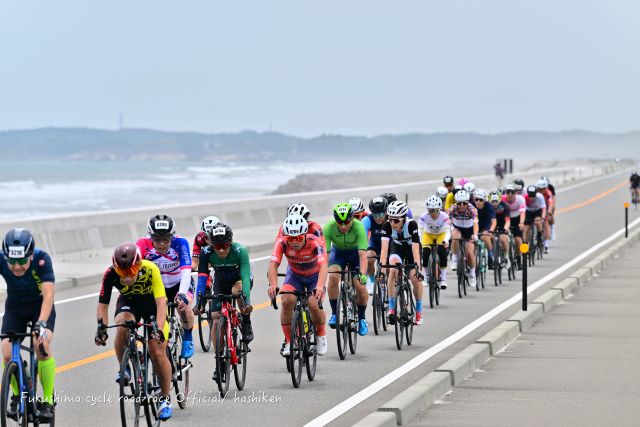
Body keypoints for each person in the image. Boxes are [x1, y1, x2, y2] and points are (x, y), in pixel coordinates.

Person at [95, 243, 172, 420]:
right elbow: (103, 306)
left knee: (157, 351)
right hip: (129, 303)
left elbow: (161, 303)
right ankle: (125, 368)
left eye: (131, 271)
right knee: (122, 324)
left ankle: (165, 399)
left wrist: (159, 329)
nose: (127, 277)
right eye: (122, 273)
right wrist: (101, 329)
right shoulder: (110, 273)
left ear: (138, 265)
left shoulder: (150, 269)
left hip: (153, 306)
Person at [1, 229, 56, 421]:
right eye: (12, 261)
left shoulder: (42, 259)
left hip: (40, 307)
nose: (17, 266)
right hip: (15, 308)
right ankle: (17, 395)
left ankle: (47, 401)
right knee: (6, 352)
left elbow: (48, 295)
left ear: (31, 255)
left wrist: (41, 323)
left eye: (22, 261)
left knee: (41, 345)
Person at [195, 223, 254, 377]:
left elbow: (245, 276)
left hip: (239, 279)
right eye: (217, 246)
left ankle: (246, 321)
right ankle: (220, 360)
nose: (221, 250)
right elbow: (202, 278)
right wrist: (199, 302)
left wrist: (246, 301)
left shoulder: (240, 250)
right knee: (215, 319)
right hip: (221, 282)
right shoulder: (206, 252)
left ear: (231, 242)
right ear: (211, 244)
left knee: (236, 291)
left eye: (225, 245)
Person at [267, 214, 328, 356]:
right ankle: (290, 341)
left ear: (305, 234)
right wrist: (273, 284)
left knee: (313, 304)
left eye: (298, 238)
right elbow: (273, 265)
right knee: (287, 300)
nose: (294, 242)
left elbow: (324, 266)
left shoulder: (315, 242)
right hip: (295, 276)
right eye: (291, 238)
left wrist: (319, 286)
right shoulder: (281, 243)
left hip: (314, 277)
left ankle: (321, 335)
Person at [137, 214, 195, 359]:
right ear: (150, 236)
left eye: (166, 240)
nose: (162, 244)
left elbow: (186, 271)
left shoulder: (180, 243)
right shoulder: (142, 244)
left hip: (179, 283)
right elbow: (136, 271)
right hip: (158, 287)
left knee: (183, 307)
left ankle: (188, 338)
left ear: (172, 236)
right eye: (157, 240)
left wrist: (182, 293)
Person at [324, 203, 370, 336]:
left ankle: (362, 318)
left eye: (347, 222)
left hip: (355, 254)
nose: (343, 226)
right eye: (340, 222)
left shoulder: (359, 227)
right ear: (335, 220)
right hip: (338, 253)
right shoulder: (328, 228)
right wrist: (322, 274)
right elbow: (326, 256)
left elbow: (363, 255)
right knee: (333, 277)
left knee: (360, 285)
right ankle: (334, 313)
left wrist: (363, 275)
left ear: (352, 219)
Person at [379, 201, 425, 325]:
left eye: (396, 220)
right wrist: (381, 270)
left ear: (403, 219)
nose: (392, 223)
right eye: (390, 219)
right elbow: (384, 250)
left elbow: (415, 249)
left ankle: (419, 310)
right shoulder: (386, 225)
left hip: (411, 250)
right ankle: (391, 308)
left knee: (415, 279)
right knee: (392, 269)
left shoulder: (412, 225)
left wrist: (418, 269)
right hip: (397, 248)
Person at [448, 190, 479, 288]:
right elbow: (448, 221)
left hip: (469, 231)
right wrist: (450, 229)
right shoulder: (452, 209)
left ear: (467, 203)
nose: (462, 206)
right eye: (459, 203)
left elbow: (475, 224)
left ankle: (472, 274)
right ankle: (454, 258)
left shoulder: (472, 209)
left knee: (469, 252)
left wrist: (475, 234)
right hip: (457, 228)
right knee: (455, 237)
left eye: (464, 203)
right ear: (456, 203)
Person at [418, 196, 450, 289]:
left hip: (441, 235)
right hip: (428, 235)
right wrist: (419, 240)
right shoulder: (423, 216)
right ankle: (426, 276)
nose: (433, 213)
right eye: (430, 211)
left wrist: (446, 241)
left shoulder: (445, 216)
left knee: (442, 253)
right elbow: (420, 229)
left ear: (439, 209)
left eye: (435, 210)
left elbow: (448, 231)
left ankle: (443, 279)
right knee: (425, 253)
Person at [360, 196, 388, 295]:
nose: (379, 218)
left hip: (389, 245)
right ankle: (371, 281)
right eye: (375, 215)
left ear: (386, 212)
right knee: (369, 258)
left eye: (381, 214)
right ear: (371, 213)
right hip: (375, 244)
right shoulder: (367, 220)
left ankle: (389, 284)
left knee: (390, 267)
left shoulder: (390, 219)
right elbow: (362, 238)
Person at [502, 184, 526, 268]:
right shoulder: (502, 199)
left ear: (516, 193)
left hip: (517, 218)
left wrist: (521, 223)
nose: (510, 194)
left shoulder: (520, 199)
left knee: (518, 240)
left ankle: (519, 258)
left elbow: (522, 212)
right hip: (506, 218)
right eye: (508, 192)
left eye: (512, 192)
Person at [472, 189, 497, 269]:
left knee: (485, 237)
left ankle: (490, 255)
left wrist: (491, 231)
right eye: (476, 200)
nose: (478, 202)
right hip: (474, 225)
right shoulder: (471, 206)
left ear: (484, 200)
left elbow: (494, 221)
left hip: (486, 225)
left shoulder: (489, 206)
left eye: (480, 200)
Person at [489, 191, 511, 270]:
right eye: (492, 202)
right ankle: (490, 257)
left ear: (500, 200)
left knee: (503, 239)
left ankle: (506, 256)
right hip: (492, 224)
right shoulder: (487, 206)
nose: (494, 204)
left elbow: (508, 220)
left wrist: (506, 228)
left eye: (496, 201)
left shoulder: (505, 206)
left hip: (502, 224)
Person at [536, 179, 555, 253]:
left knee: (546, 224)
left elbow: (550, 203)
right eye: (539, 189)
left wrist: (549, 213)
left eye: (542, 189)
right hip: (535, 209)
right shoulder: (535, 192)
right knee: (527, 228)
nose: (540, 191)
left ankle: (546, 245)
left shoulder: (548, 192)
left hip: (545, 208)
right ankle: (525, 250)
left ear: (545, 188)